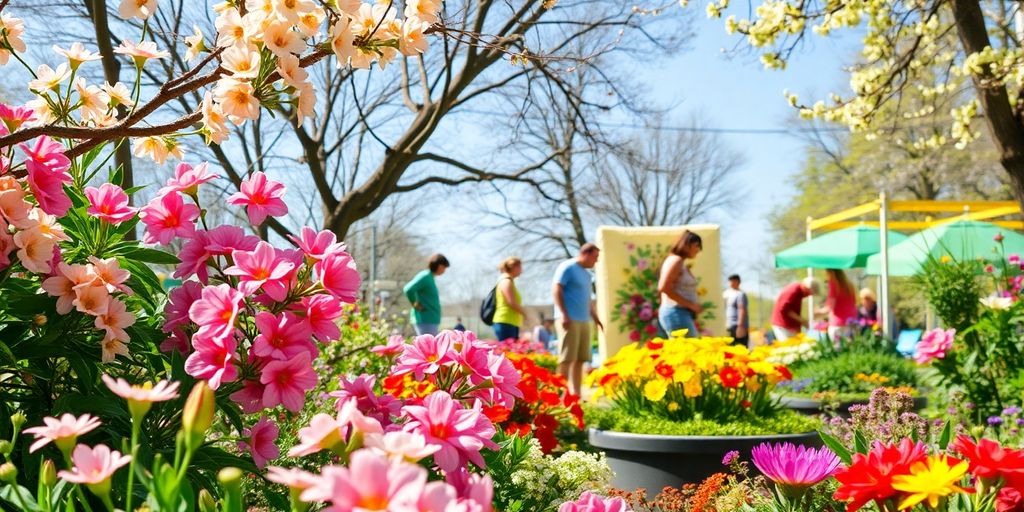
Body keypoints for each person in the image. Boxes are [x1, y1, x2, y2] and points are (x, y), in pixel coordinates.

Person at [553, 243, 603, 396]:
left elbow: (587, 300)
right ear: (585, 254)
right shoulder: (567, 267)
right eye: (595, 257)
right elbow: (557, 289)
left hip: (584, 320)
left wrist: (596, 319)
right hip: (569, 320)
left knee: (581, 359)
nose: (596, 261)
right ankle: (557, 395)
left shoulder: (587, 275)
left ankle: (575, 396)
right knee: (567, 358)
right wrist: (563, 314)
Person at [657, 231, 703, 338]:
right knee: (689, 350)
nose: (698, 250)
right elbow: (663, 287)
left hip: (678, 312)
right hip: (676, 312)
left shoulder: (677, 261)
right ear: (686, 244)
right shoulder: (676, 261)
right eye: (697, 245)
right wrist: (691, 305)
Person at [403, 253, 449, 336]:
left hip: (430, 319)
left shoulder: (430, 277)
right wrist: (414, 303)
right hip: (424, 319)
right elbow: (408, 289)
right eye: (444, 267)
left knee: (431, 346)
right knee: (427, 347)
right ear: (439, 266)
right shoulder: (425, 276)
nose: (444, 270)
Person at [770, 277, 819, 341]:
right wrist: (802, 321)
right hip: (782, 324)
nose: (808, 295)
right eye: (809, 293)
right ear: (807, 287)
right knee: (787, 346)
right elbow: (784, 308)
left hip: (790, 326)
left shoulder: (799, 292)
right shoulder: (793, 290)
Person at [493, 257, 528, 341]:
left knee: (511, 351)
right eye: (519, 267)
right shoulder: (506, 281)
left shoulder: (509, 281)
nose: (521, 270)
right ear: (513, 267)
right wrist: (524, 313)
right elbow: (511, 302)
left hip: (510, 322)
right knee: (507, 351)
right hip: (505, 321)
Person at [817, 269, 858, 340]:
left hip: (838, 324)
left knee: (838, 349)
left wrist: (816, 312)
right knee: (851, 349)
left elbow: (829, 308)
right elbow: (854, 302)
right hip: (851, 321)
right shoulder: (850, 285)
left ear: (831, 273)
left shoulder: (833, 284)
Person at [723, 274, 749, 347]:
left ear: (738, 282)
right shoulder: (727, 294)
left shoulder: (740, 294)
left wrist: (740, 326)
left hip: (738, 325)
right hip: (730, 325)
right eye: (730, 281)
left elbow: (742, 309)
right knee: (731, 348)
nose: (731, 283)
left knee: (741, 347)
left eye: (733, 281)